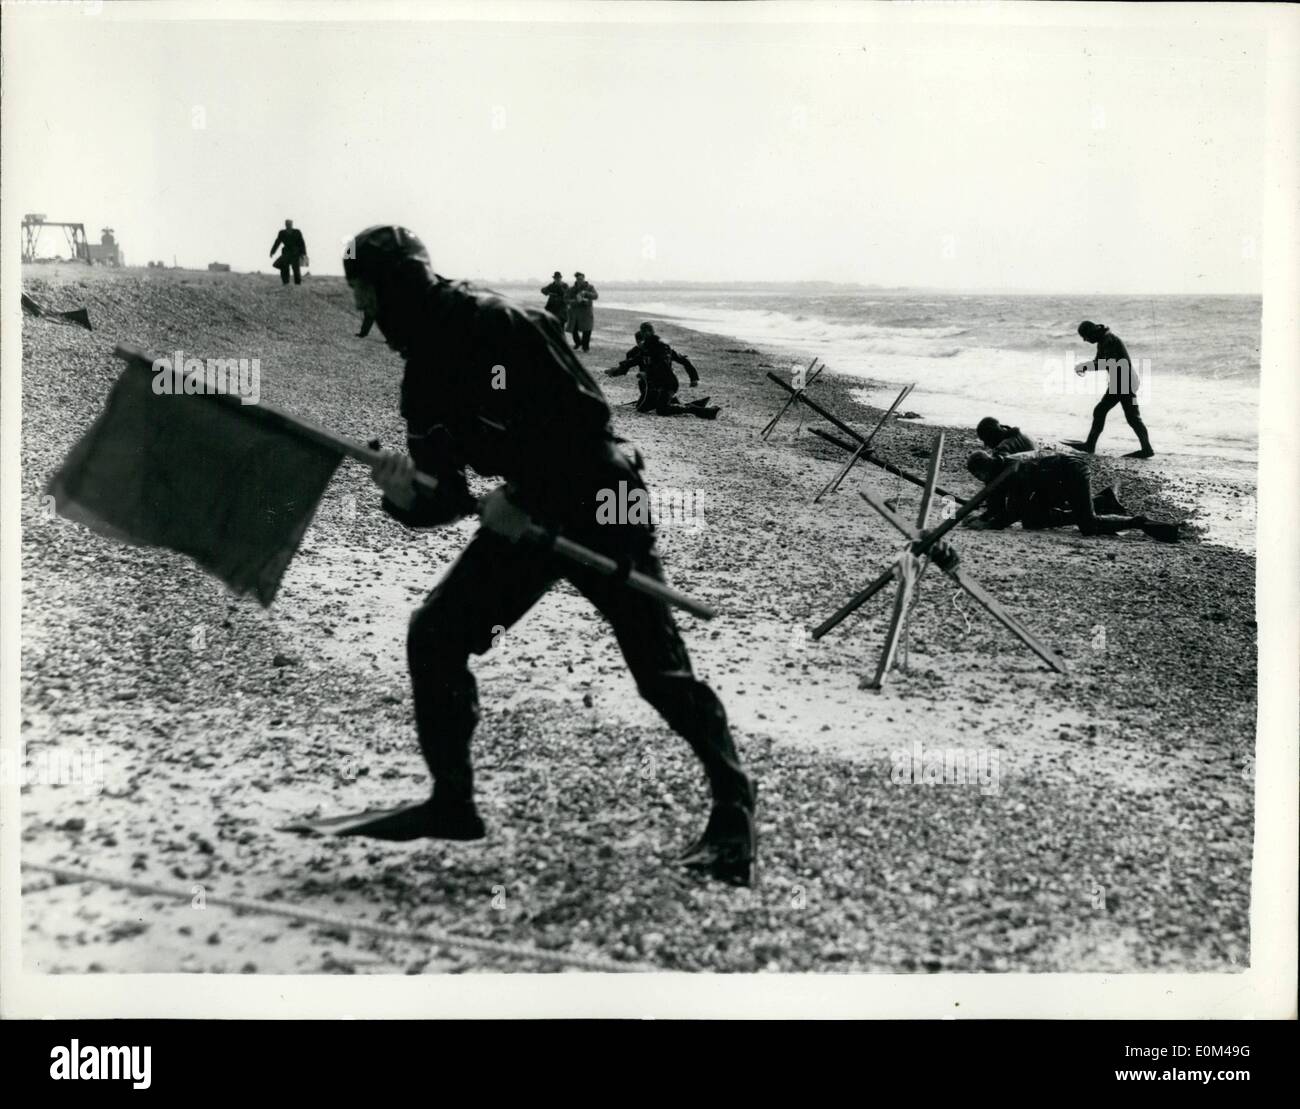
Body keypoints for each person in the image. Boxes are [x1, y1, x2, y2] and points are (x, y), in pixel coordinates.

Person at [334, 226, 756, 885]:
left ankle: (735, 810)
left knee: (658, 672)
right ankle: (453, 802)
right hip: (524, 524)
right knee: (437, 632)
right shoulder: (421, 379)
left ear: (399, 288)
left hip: (601, 502)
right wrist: (401, 494)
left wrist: (524, 493)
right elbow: (446, 496)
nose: (365, 313)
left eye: (367, 295)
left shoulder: (502, 325)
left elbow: (587, 422)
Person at [964, 451, 1179, 540]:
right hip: (1050, 480)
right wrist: (982, 518)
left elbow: (1014, 510)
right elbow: (997, 506)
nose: (979, 479)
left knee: (1089, 527)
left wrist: (989, 525)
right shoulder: (997, 472)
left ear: (984, 470)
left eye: (977, 475)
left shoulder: (1015, 471)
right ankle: (1102, 501)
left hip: (1072, 472)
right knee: (1032, 521)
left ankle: (1138, 522)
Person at [1067, 321, 1154, 458]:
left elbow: (1108, 363)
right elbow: (1099, 362)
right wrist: (1087, 366)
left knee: (1104, 411)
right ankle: (1146, 449)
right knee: (1131, 417)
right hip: (1122, 381)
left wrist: (1085, 366)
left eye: (1085, 336)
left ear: (1092, 332)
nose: (1085, 340)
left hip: (1123, 382)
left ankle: (1090, 445)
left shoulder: (1108, 340)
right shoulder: (1103, 340)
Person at [607, 323, 718, 418]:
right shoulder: (643, 350)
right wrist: (615, 371)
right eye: (641, 336)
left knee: (662, 410)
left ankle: (696, 409)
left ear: (652, 333)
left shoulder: (663, 348)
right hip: (652, 384)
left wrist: (693, 378)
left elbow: (665, 365)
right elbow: (632, 362)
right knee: (642, 408)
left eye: (646, 334)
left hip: (667, 383)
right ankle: (683, 403)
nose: (641, 341)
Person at [269, 219, 308, 286]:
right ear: (285, 224)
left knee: (296, 269)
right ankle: (285, 283)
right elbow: (277, 242)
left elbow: (302, 243)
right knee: (284, 267)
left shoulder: (297, 232)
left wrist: (303, 253)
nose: (288, 225)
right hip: (286, 253)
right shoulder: (282, 232)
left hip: (295, 253)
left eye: (290, 223)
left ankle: (297, 284)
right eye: (287, 223)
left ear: (292, 224)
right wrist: (272, 252)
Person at [567, 271, 597, 351]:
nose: (580, 280)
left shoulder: (590, 287)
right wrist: (576, 301)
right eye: (578, 279)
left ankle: (585, 347)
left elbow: (595, 296)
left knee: (587, 330)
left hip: (586, 312)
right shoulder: (572, 289)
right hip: (575, 312)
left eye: (581, 279)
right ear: (576, 279)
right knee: (573, 329)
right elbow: (566, 299)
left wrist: (586, 293)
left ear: (584, 278)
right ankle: (577, 343)